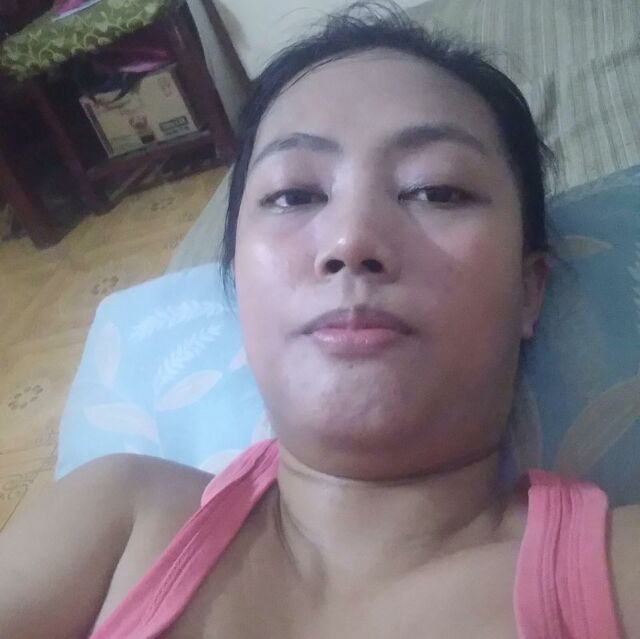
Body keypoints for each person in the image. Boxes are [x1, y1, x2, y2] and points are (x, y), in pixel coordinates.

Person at [1, 5, 638, 638]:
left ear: (529, 290)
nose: (351, 240)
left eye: (437, 190)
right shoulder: (117, 517)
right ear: (239, 285)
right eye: (293, 195)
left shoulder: (620, 575)